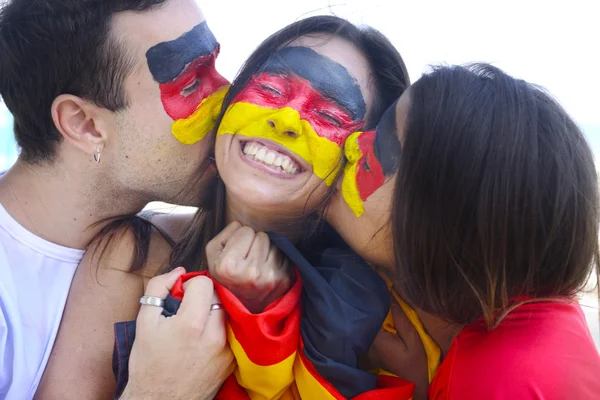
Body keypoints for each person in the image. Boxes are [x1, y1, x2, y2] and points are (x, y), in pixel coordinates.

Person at [44, 15, 423, 399]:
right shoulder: (132, 254)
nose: (286, 120)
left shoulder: (375, 311)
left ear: (361, 157)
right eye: (272, 90)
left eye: (328, 116)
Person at [0, 0, 233, 398]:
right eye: (192, 83)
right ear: (84, 124)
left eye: (215, 65)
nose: (230, 99)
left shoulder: (186, 238)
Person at [353, 63, 600, 398]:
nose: (354, 142)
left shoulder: (495, 378)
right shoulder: (547, 317)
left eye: (380, 146)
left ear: (438, 221)